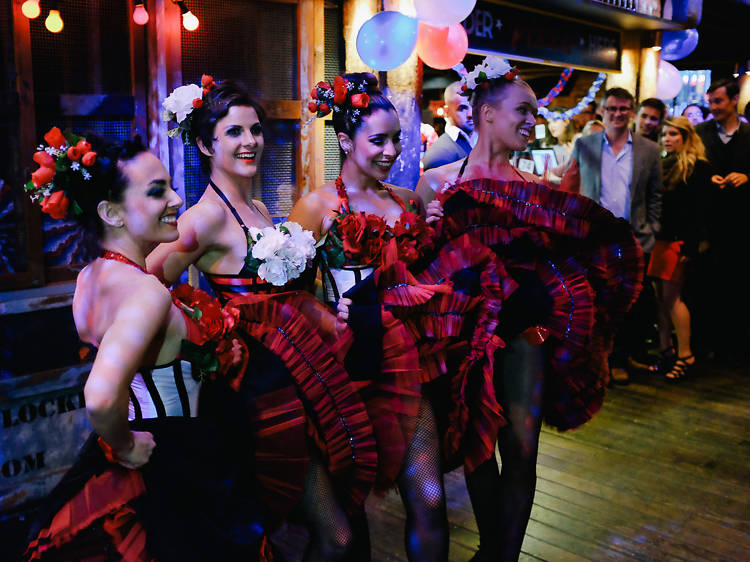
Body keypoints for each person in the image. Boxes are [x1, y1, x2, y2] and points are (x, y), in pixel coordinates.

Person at [415, 56, 643, 561]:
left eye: (534, 113)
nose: (530, 121)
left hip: (525, 340)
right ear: (486, 112)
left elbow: (569, 261)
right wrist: (429, 225)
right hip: (462, 342)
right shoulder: (435, 184)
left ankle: (504, 556)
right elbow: (419, 268)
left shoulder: (536, 192)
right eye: (523, 110)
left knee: (521, 448)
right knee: (475, 447)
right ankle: (495, 549)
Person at [147, 78, 377, 559]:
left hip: (300, 376)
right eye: (234, 132)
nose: (250, 141)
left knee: (338, 524)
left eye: (255, 130)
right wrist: (200, 328)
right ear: (207, 143)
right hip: (258, 391)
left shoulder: (255, 207)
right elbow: (144, 279)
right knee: (332, 534)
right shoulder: (204, 217)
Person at [24, 131, 264, 560]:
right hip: (176, 463)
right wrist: (128, 445)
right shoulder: (146, 292)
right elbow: (99, 397)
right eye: (157, 192)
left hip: (153, 449)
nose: (176, 199)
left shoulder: (89, 278)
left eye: (170, 185)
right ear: (110, 213)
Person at [290, 73, 449, 561]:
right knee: (344, 515)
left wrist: (435, 235)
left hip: (405, 368)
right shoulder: (316, 207)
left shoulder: (406, 203)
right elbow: (289, 298)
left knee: (430, 496)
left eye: (396, 138)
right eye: (377, 139)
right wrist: (324, 309)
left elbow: (422, 281)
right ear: (344, 140)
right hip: (341, 372)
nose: (389, 150)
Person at [569, 87, 662, 384]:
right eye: (612, 109)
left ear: (631, 111)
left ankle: (620, 358)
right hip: (595, 239)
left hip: (635, 238)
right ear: (602, 111)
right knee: (596, 301)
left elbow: (655, 195)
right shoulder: (585, 145)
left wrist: (652, 230)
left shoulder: (648, 149)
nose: (618, 114)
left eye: (624, 109)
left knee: (629, 304)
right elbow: (572, 184)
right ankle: (597, 362)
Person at [650, 117, 711, 379]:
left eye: (673, 134)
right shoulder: (664, 164)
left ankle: (685, 354)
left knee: (673, 300)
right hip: (658, 240)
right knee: (661, 301)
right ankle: (666, 351)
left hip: (678, 242)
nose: (667, 138)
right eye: (664, 134)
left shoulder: (697, 167)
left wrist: (692, 246)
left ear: (686, 137)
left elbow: (701, 212)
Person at [695, 77, 750, 364]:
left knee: (738, 285)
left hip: (741, 225)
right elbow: (688, 168)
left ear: (733, 100)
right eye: (711, 101)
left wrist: (747, 177)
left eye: (718, 101)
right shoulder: (700, 133)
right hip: (708, 223)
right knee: (706, 285)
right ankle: (705, 345)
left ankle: (735, 347)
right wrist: (707, 179)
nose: (713, 106)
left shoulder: (749, 134)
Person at [422, 81, 477, 171]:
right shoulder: (439, 155)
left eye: (473, 106)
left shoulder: (478, 139)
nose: (470, 114)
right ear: (446, 111)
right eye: (462, 108)